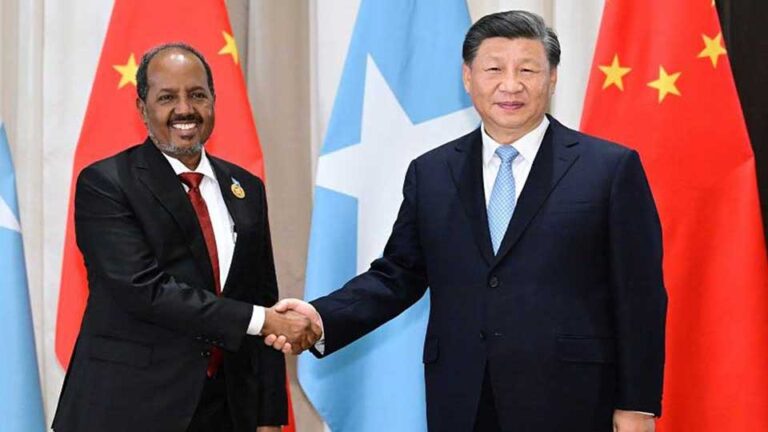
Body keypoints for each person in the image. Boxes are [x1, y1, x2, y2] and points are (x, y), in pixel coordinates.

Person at [268, 11, 666, 432]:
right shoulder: (432, 173)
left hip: (571, 398)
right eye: (494, 68)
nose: (510, 85)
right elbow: (397, 275)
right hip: (462, 398)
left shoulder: (608, 169)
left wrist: (637, 405)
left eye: (527, 69)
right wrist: (320, 317)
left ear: (551, 79)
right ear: (468, 77)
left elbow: (639, 297)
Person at [52, 43, 320, 432]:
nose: (184, 110)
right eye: (166, 98)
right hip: (128, 409)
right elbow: (145, 290)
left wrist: (269, 416)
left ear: (213, 100)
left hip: (225, 412)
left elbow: (261, 294)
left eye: (197, 94)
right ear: (142, 108)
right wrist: (263, 321)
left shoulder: (246, 187)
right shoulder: (106, 183)